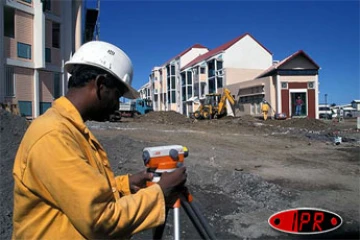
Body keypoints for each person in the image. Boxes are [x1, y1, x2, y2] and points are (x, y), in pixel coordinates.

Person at [12, 41, 187, 239]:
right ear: (100, 85)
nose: (117, 104)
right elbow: (101, 221)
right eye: (117, 95)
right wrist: (160, 193)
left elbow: (78, 191)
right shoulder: (53, 136)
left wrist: (124, 184)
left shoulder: (69, 129)